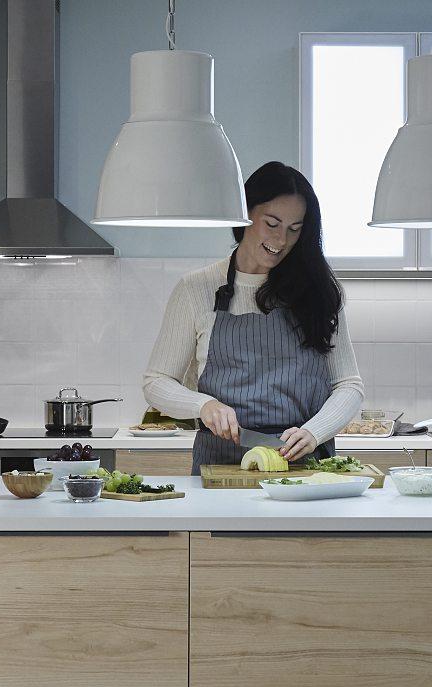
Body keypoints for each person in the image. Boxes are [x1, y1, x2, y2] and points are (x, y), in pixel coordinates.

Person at [144, 161, 364, 474]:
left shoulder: (319, 292)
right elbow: (156, 381)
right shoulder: (197, 288)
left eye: (294, 229)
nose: (281, 240)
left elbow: (349, 385)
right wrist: (203, 405)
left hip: (306, 466)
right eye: (271, 223)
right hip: (222, 467)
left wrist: (314, 432)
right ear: (245, 214)